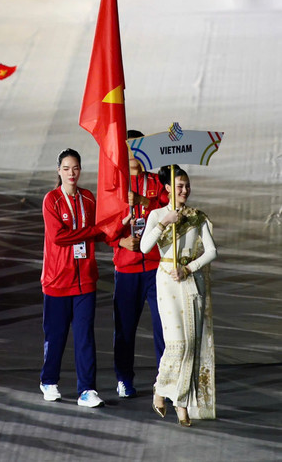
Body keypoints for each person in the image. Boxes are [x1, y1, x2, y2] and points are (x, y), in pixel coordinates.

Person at [39, 148, 123, 408]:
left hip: (85, 279)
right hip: (57, 280)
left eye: (75, 168)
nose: (71, 173)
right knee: (56, 336)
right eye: (66, 168)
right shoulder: (51, 200)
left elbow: (98, 232)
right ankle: (49, 380)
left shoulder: (87, 198)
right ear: (58, 171)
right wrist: (95, 230)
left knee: (85, 336)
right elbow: (58, 236)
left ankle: (86, 389)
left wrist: (117, 232)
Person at [141, 165, 217, 426]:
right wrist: (165, 222)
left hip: (189, 279)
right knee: (177, 343)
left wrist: (188, 268)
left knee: (192, 344)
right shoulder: (157, 215)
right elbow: (143, 247)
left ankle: (181, 403)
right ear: (168, 188)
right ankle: (161, 389)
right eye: (179, 186)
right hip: (167, 280)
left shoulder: (197, 217)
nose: (184, 190)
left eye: (187, 185)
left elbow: (211, 251)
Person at [109, 130, 168, 399]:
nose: (135, 155)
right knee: (125, 328)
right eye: (130, 149)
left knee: (164, 327)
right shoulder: (115, 186)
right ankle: (124, 378)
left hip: (157, 267)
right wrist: (120, 244)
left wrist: (147, 201)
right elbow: (105, 227)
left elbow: (172, 211)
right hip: (127, 269)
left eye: (139, 148)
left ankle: (166, 380)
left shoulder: (158, 183)